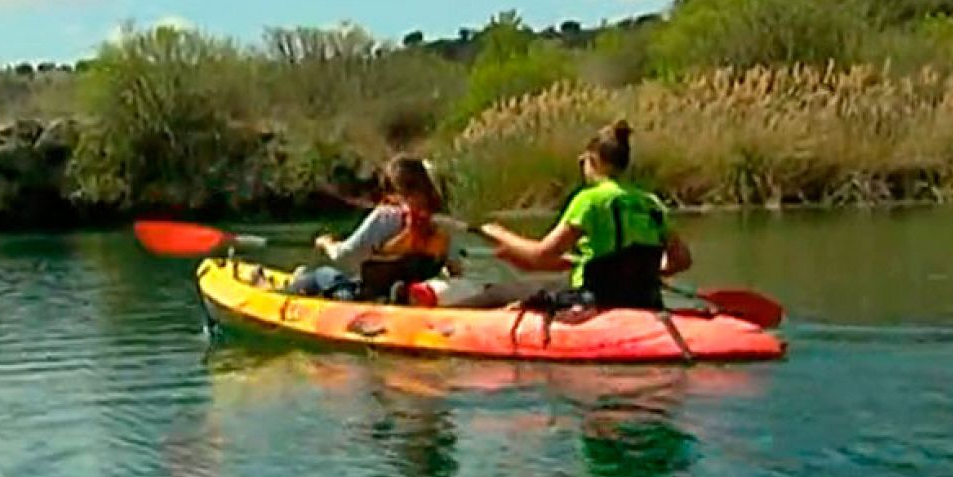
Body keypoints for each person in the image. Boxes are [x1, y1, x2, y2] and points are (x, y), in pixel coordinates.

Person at [476, 119, 692, 311]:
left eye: (584, 162)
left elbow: (540, 255)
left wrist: (498, 233)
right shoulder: (651, 203)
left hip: (594, 299)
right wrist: (643, 274)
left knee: (496, 293)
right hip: (645, 300)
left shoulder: (589, 200)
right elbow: (681, 260)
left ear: (593, 160)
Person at [287, 156, 462, 303]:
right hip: (410, 292)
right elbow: (456, 270)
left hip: (365, 296)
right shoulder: (443, 224)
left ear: (395, 188)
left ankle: (293, 285)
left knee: (322, 274)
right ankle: (404, 294)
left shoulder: (385, 217)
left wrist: (326, 243)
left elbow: (344, 255)